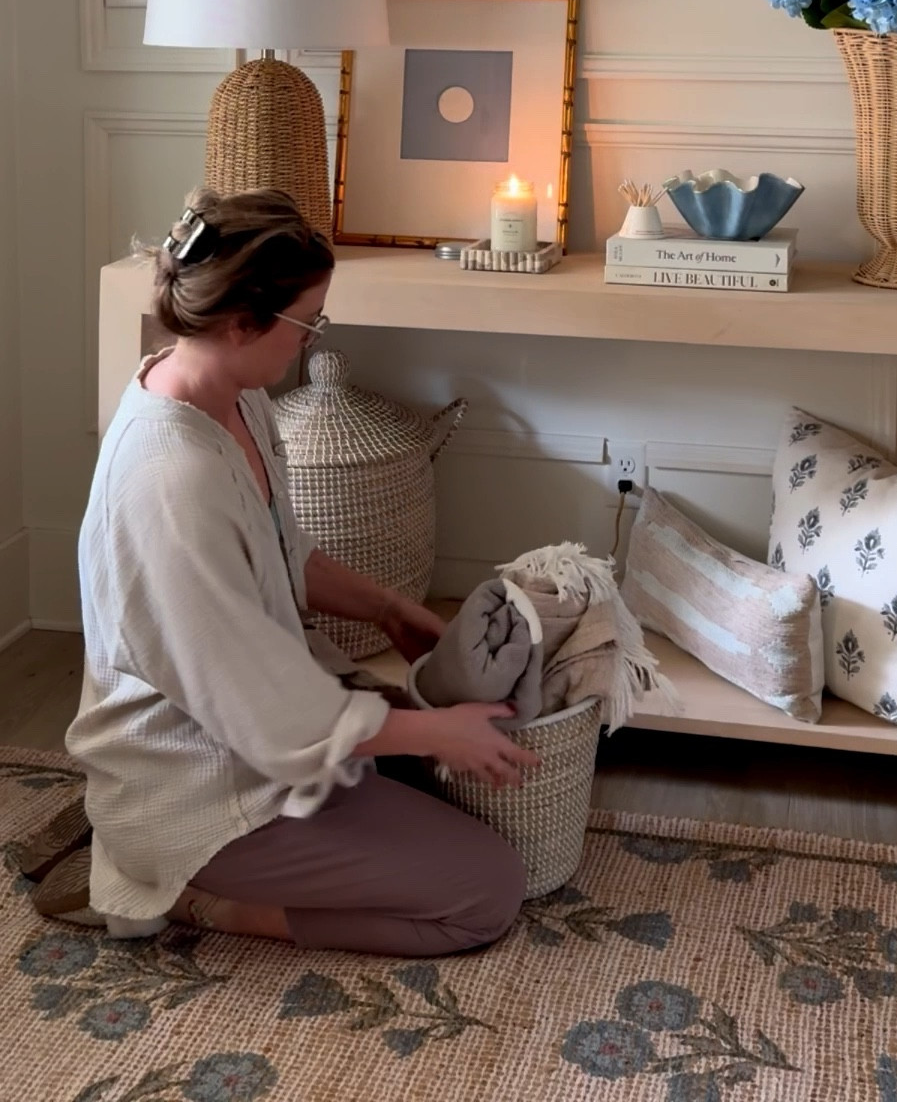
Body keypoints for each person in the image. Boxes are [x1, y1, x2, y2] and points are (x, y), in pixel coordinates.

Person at [38, 188, 536, 955]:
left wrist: (388, 609)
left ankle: (276, 840)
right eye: (310, 323)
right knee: (486, 890)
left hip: (253, 728)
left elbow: (280, 549)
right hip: (198, 780)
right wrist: (432, 730)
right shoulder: (173, 481)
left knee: (430, 770)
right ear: (242, 323)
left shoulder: (231, 396)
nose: (312, 341)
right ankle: (190, 899)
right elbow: (263, 713)